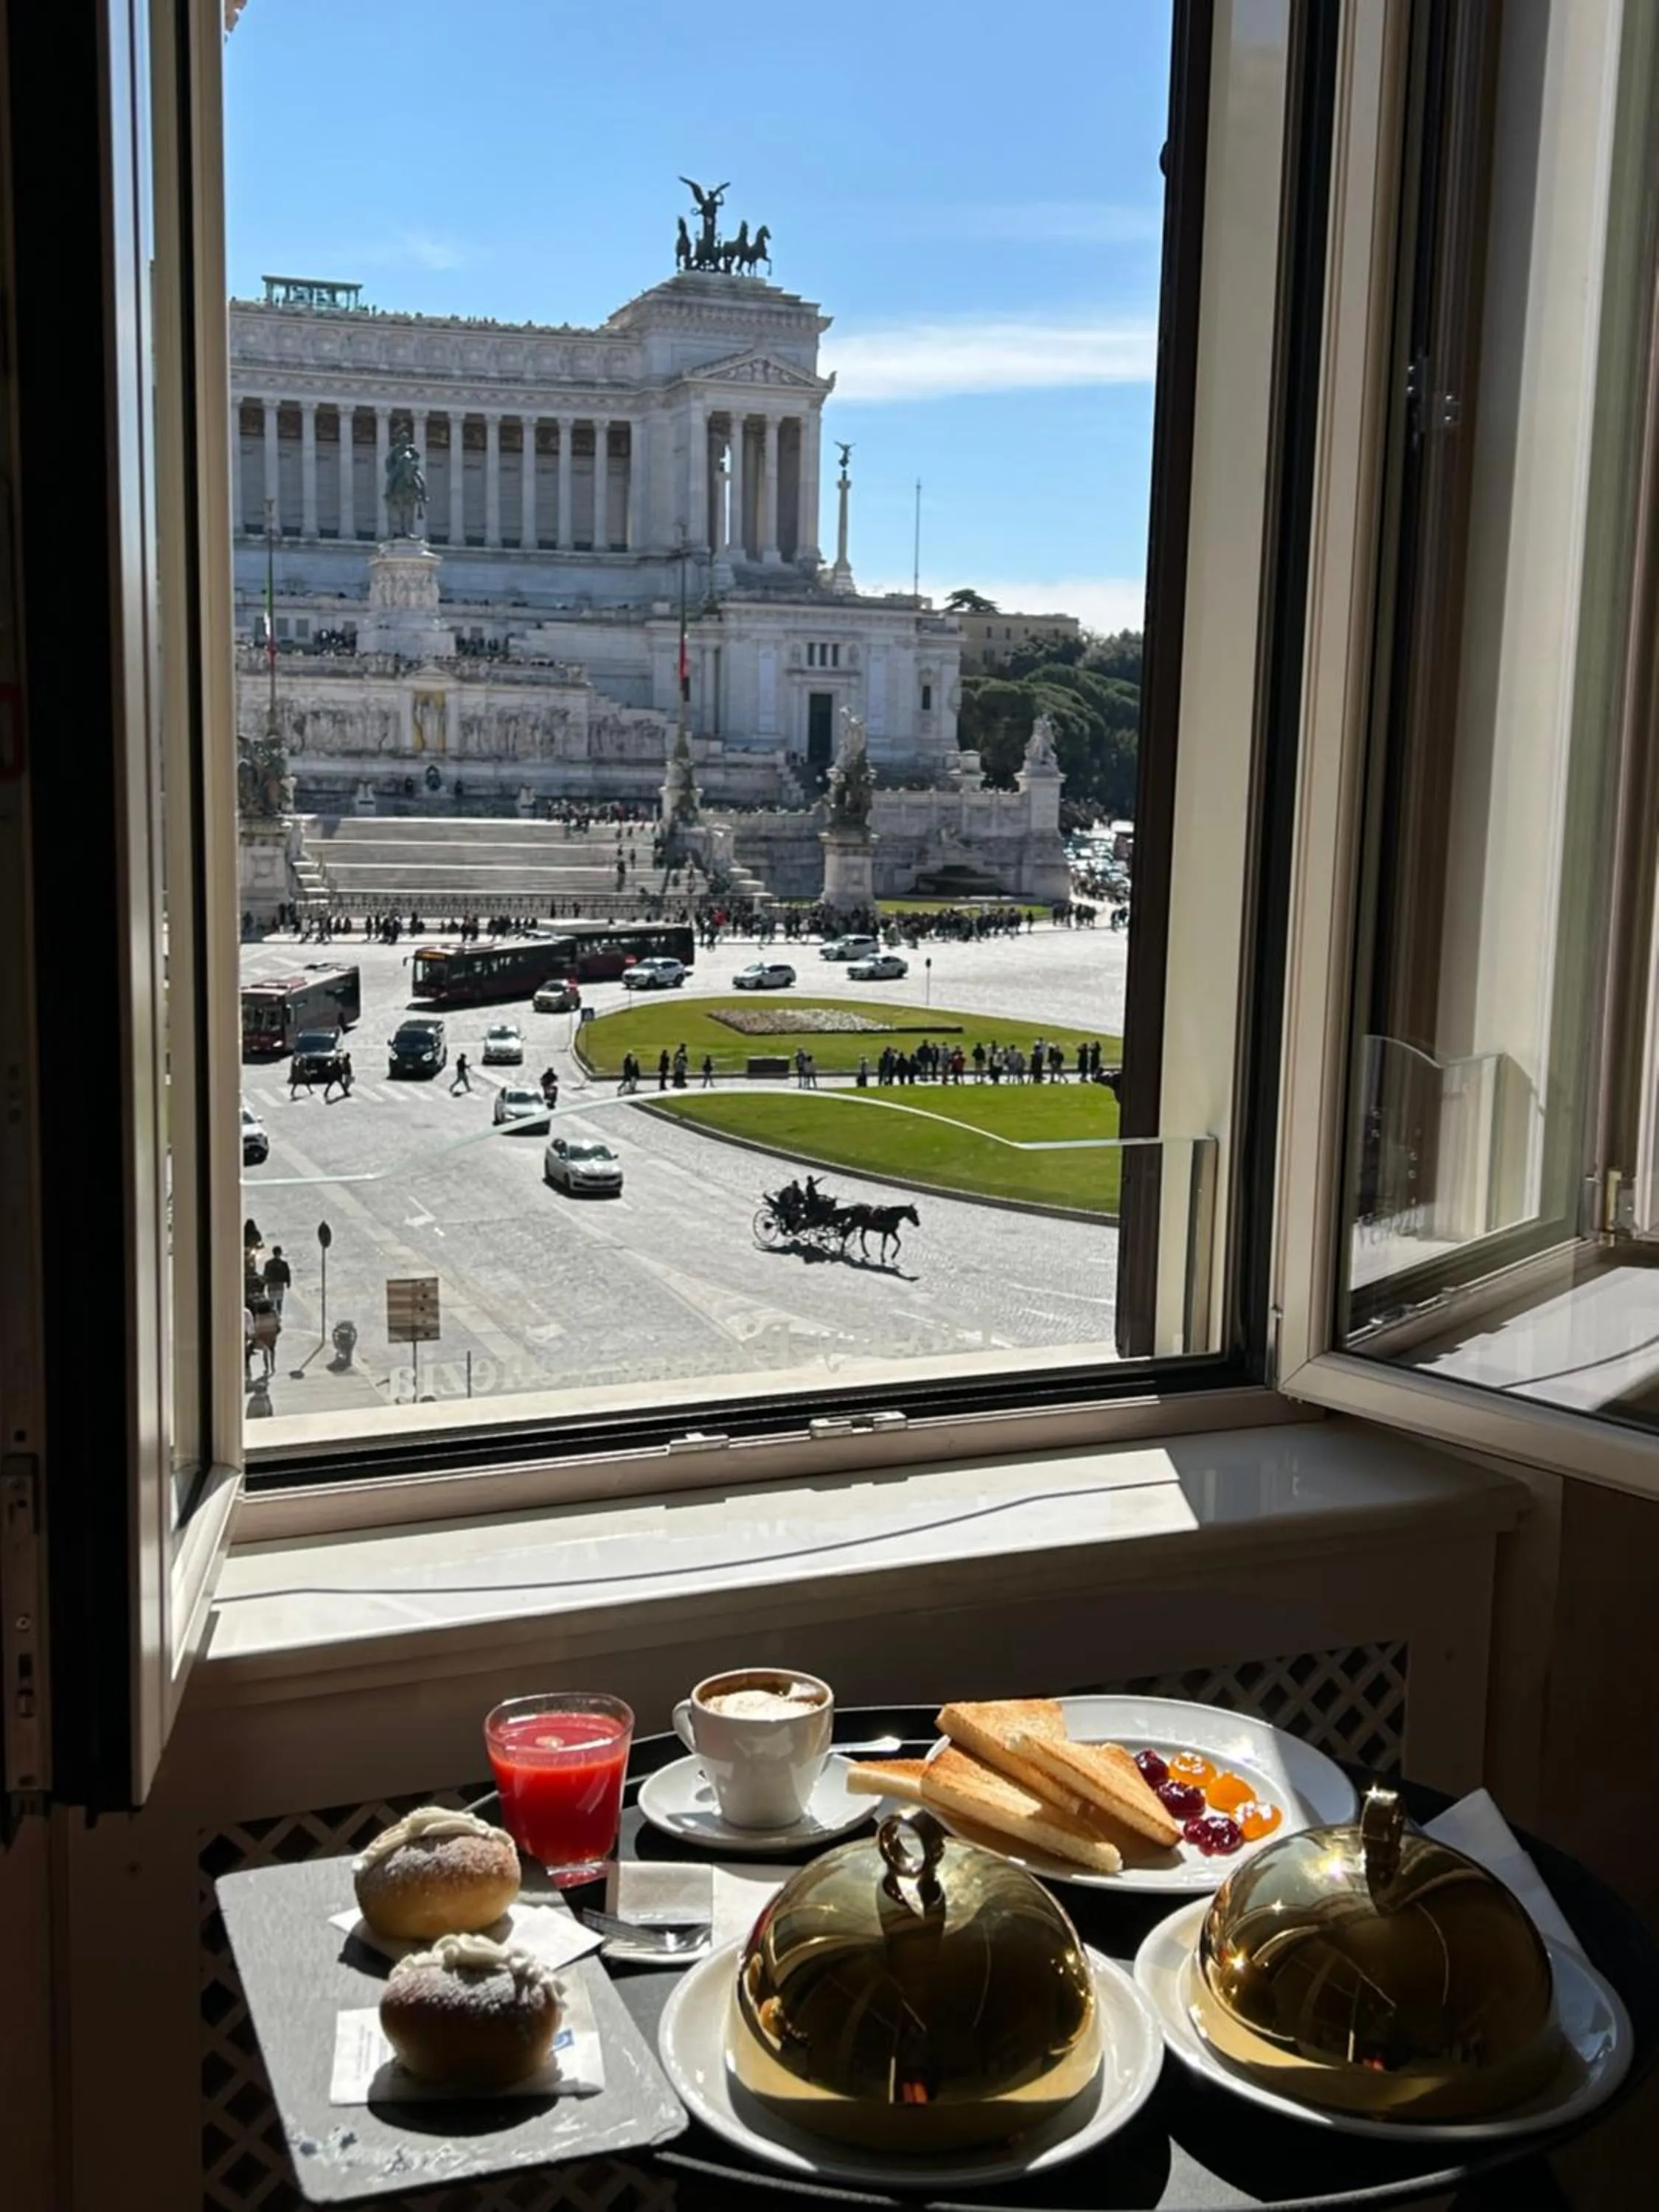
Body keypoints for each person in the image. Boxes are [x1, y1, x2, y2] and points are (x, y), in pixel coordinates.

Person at [262, 1245, 291, 1318]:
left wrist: (264, 1284)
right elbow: (287, 1274)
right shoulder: (284, 1264)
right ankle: (278, 1316)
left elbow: (265, 1275)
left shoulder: (268, 1263)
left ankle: (273, 1316)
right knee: (279, 1302)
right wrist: (288, 1283)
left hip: (271, 1285)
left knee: (272, 1302)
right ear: (280, 1253)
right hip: (279, 1285)